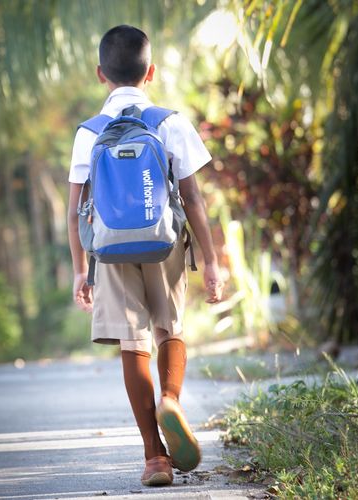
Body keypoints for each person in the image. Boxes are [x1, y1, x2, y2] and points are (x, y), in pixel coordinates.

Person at [67, 25, 224, 487]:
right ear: (150, 72)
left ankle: (154, 458)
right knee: (168, 329)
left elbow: (76, 208)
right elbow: (192, 197)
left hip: (110, 249)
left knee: (132, 343)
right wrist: (212, 261)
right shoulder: (170, 121)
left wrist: (80, 269)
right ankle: (171, 398)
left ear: (101, 75)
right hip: (165, 242)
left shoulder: (88, 133)